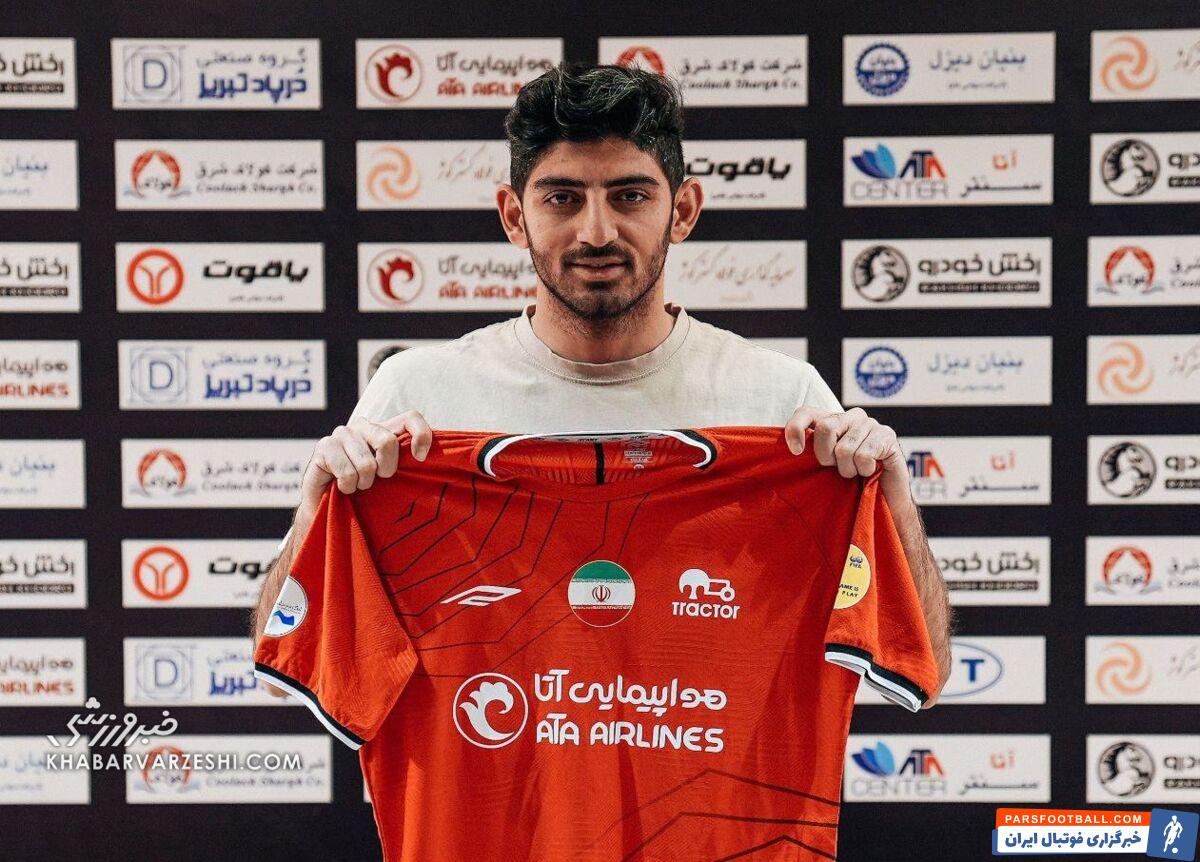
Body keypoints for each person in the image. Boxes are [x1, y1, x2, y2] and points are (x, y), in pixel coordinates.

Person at [250, 60, 953, 704]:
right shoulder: (417, 395)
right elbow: (289, 675)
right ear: (514, 216)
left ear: (682, 210)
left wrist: (890, 499)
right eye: (562, 197)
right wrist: (317, 512)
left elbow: (924, 666)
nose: (596, 232)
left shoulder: (782, 402)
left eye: (630, 196)